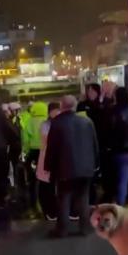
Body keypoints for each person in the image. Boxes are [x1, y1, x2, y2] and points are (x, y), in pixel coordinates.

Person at [45, 95, 99, 237]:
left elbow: (51, 147)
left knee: (64, 198)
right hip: (86, 167)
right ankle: (85, 228)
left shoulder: (56, 123)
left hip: (64, 168)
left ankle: (62, 230)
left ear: (62, 106)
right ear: (75, 106)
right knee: (83, 198)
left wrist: (48, 166)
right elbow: (94, 144)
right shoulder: (87, 122)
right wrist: (96, 164)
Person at [36, 102, 60, 220]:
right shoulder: (45, 125)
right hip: (46, 158)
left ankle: (53, 210)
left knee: (52, 185)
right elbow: (46, 141)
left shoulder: (56, 123)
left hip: (53, 158)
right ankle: (49, 211)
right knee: (46, 185)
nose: (57, 113)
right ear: (50, 112)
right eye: (55, 110)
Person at [24, 101, 48, 217]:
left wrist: (26, 149)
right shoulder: (47, 121)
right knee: (47, 175)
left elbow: (25, 137)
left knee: (33, 176)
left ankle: (32, 194)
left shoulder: (30, 121)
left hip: (33, 151)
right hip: (46, 151)